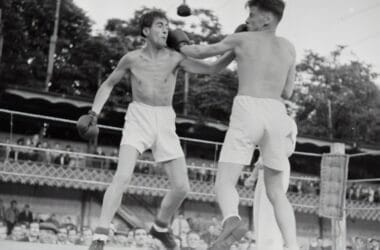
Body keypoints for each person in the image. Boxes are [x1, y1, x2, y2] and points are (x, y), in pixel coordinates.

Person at [77, 10, 235, 250]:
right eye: (160, 25)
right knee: (122, 176)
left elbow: (211, 69)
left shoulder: (175, 57)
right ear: (146, 31)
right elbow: (108, 84)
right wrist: (93, 113)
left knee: (182, 187)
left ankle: (161, 227)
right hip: (138, 117)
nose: (165, 29)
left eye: (167, 25)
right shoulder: (131, 59)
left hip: (164, 119)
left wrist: (235, 49)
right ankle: (100, 236)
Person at [173, 0, 299, 249]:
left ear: (267, 19)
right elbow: (288, 91)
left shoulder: (242, 39)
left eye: (252, 14)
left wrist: (180, 42)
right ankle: (293, 246)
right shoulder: (289, 48)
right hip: (277, 112)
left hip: (248, 108)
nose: (248, 20)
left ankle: (232, 220)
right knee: (276, 192)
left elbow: (199, 53)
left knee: (225, 182)